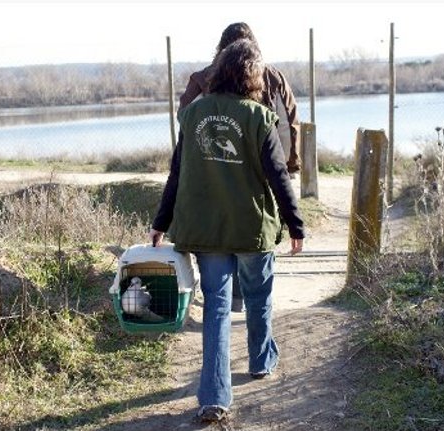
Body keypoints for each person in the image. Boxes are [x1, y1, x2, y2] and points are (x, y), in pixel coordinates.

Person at [149, 39, 305, 423]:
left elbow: (176, 172)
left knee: (216, 307)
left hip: (206, 230)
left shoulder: (194, 113)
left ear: (218, 70)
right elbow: (278, 176)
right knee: (258, 295)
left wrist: (161, 221)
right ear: (254, 75)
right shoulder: (258, 117)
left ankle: (215, 397)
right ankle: (260, 361)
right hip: (251, 228)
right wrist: (295, 223)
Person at [179, 22, 302, 313]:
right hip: (262, 171)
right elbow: (287, 125)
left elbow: (185, 119)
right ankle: (249, 299)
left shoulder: (201, 79)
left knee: (223, 228)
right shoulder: (272, 77)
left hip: (210, 173)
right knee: (252, 229)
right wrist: (287, 167)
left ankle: (234, 300)